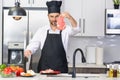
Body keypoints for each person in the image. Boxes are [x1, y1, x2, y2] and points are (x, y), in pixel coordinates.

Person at [24, 1, 80, 73]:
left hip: (61, 70)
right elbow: (34, 43)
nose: (54, 19)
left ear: (60, 16)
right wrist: (29, 50)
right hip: (44, 70)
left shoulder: (65, 29)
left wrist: (70, 17)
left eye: (56, 16)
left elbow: (77, 30)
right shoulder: (42, 30)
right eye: (51, 16)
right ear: (48, 16)